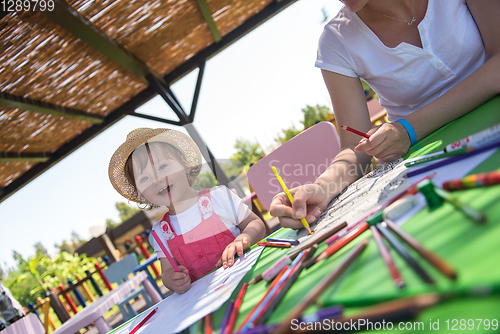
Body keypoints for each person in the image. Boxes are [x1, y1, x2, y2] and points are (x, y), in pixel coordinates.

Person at [270, 0, 500, 229]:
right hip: (427, 167)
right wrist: (322, 187)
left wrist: (408, 129)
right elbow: (354, 148)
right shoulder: (336, 40)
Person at [109, 128, 266, 294]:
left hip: (249, 282)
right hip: (206, 302)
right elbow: (167, 271)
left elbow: (256, 224)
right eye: (145, 179)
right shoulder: (161, 233)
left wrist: (243, 239)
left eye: (162, 166)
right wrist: (171, 279)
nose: (157, 180)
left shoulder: (219, 197)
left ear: (185, 164)